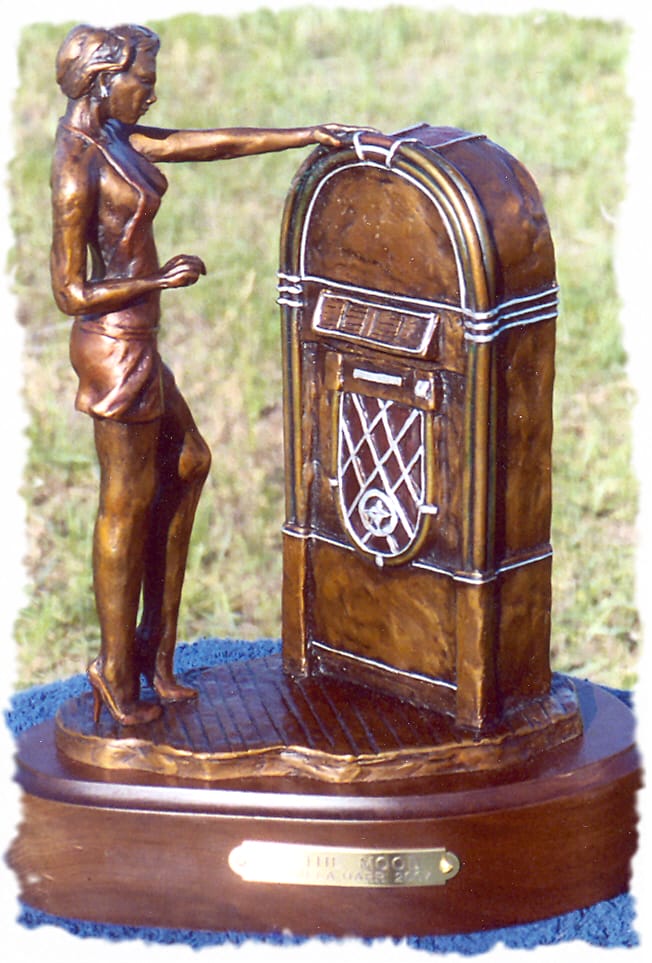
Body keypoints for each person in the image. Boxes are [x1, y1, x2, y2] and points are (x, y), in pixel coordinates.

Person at [50, 22, 356, 726]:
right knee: (124, 506)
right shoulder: (76, 164)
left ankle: (155, 656)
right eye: (143, 80)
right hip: (113, 346)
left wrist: (304, 133)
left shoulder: (116, 137)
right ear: (103, 79)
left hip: (136, 341)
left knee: (187, 462)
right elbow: (69, 291)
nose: (152, 92)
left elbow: (202, 142)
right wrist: (161, 277)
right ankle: (117, 671)